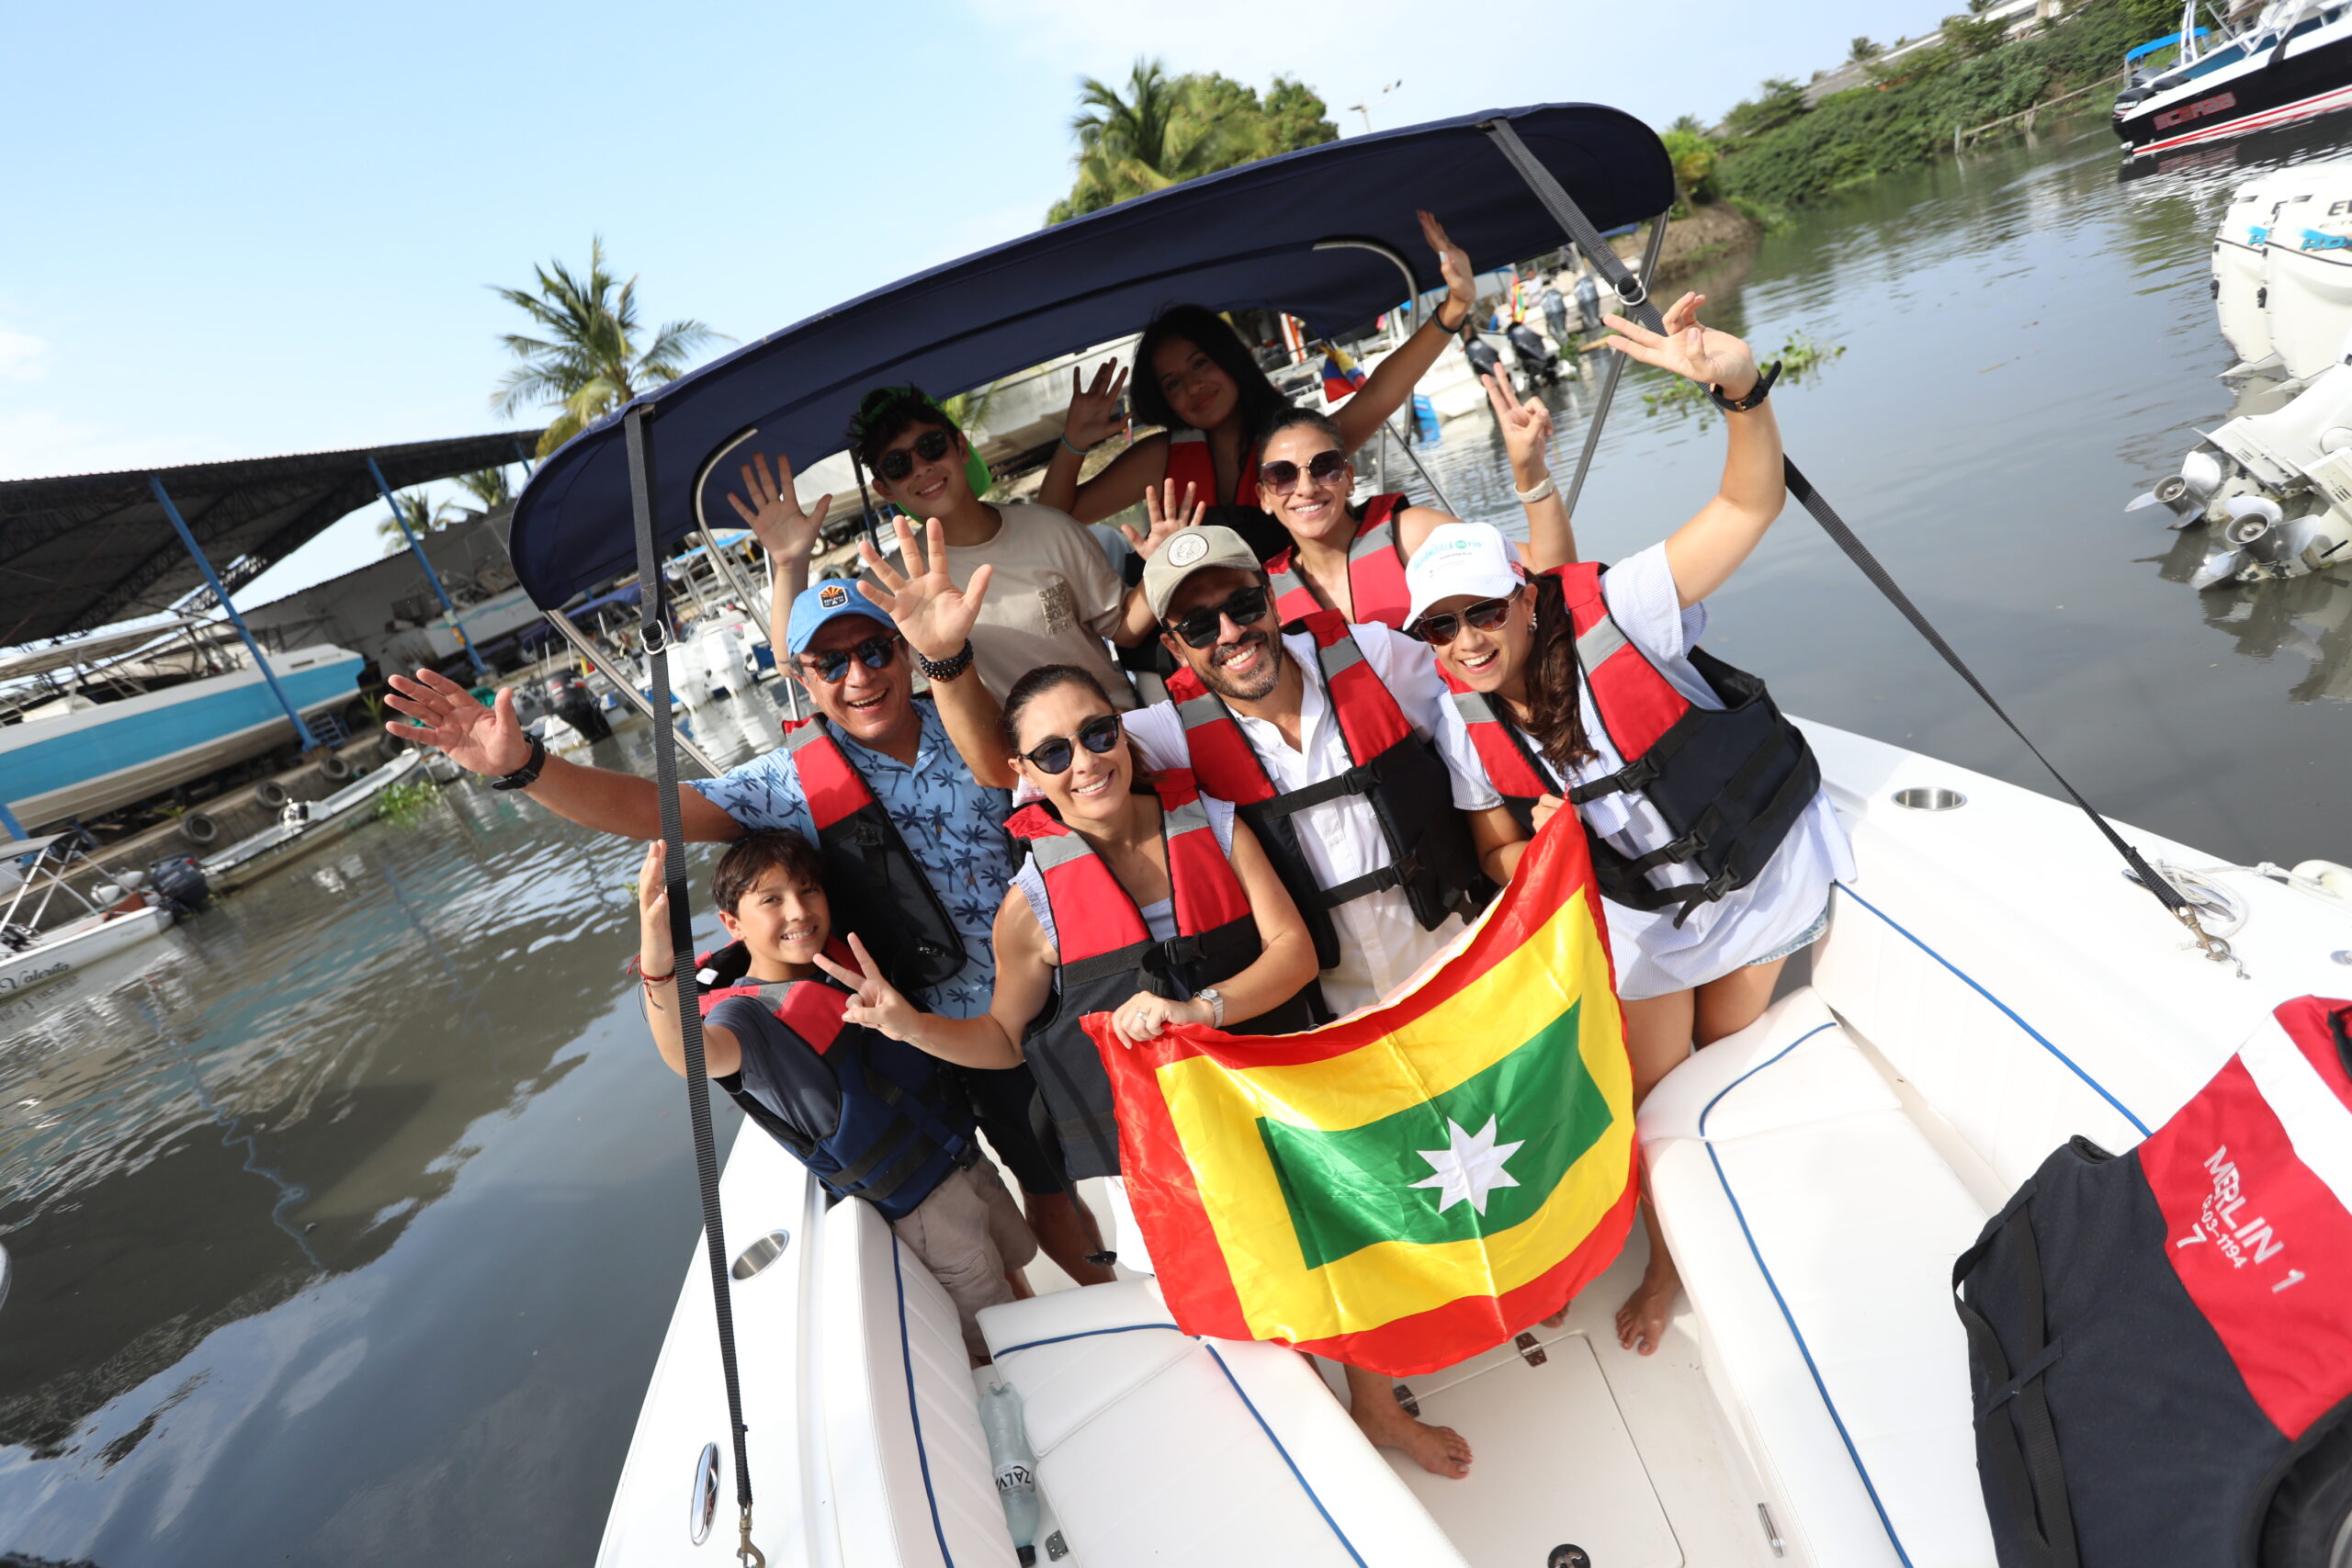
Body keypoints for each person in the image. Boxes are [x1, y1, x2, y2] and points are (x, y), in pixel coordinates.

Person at [818, 640, 1474, 1479]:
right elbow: (1003, 1038)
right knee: (1243, 1290)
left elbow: (1295, 952)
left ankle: (1378, 1406)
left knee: (1337, 1245)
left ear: (1124, 733)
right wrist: (909, 1025)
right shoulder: (1033, 905)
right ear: (1024, 771)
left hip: (1270, 1097)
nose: (1085, 762)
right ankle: (1318, 1443)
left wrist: (1201, 1007)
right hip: (1162, 1147)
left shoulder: (1217, 826)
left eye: (1097, 734)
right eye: (1053, 753)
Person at [380, 581, 1115, 1287]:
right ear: (800, 676)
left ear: (903, 649)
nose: (857, 675)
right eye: (830, 663)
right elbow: (654, 805)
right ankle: (1103, 1300)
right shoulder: (787, 784)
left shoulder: (967, 719)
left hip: (1074, 973)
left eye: (874, 650)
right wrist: (526, 768)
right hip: (958, 1027)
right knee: (1044, 1177)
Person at [1403, 291, 1854, 1359]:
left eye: (1479, 611)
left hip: (1755, 875)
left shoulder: (1624, 608)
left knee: (1722, 1061)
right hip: (1653, 912)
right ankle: (1666, 1261)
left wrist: (1737, 389)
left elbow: (1747, 508)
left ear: (1521, 597)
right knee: (1651, 1097)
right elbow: (1502, 844)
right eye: (1439, 627)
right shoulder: (1470, 726)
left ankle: (1734, 1244)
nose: (1465, 639)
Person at [634, 829, 1035, 1365]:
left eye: (808, 891)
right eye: (771, 900)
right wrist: (658, 966)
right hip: (921, 1209)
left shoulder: (836, 962)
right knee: (994, 1333)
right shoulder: (747, 1017)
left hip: (963, 1156)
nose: (798, 912)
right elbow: (691, 1057)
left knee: (1015, 1279)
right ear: (732, 923)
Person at [1035, 211, 1479, 540]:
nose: (1193, 387)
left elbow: (1381, 395)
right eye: (1172, 383)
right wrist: (1073, 441)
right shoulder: (1160, 459)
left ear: (1229, 359)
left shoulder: (1299, 442)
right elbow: (1056, 520)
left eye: (1200, 364)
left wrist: (1454, 308)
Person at [729, 386, 1173, 708]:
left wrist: (1163, 565)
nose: (922, 468)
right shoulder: (893, 583)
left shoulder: (1051, 528)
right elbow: (793, 663)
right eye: (900, 464)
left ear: (960, 447)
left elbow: (1125, 629)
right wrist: (790, 562)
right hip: (1017, 772)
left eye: (931, 446)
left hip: (1115, 726)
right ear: (885, 489)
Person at [1250, 384, 1573, 627]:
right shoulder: (1260, 597)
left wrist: (1530, 470)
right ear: (1264, 496)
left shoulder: (1412, 535)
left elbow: (1551, 569)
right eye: (1282, 474)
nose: (1306, 488)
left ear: (1349, 478)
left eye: (1324, 466)